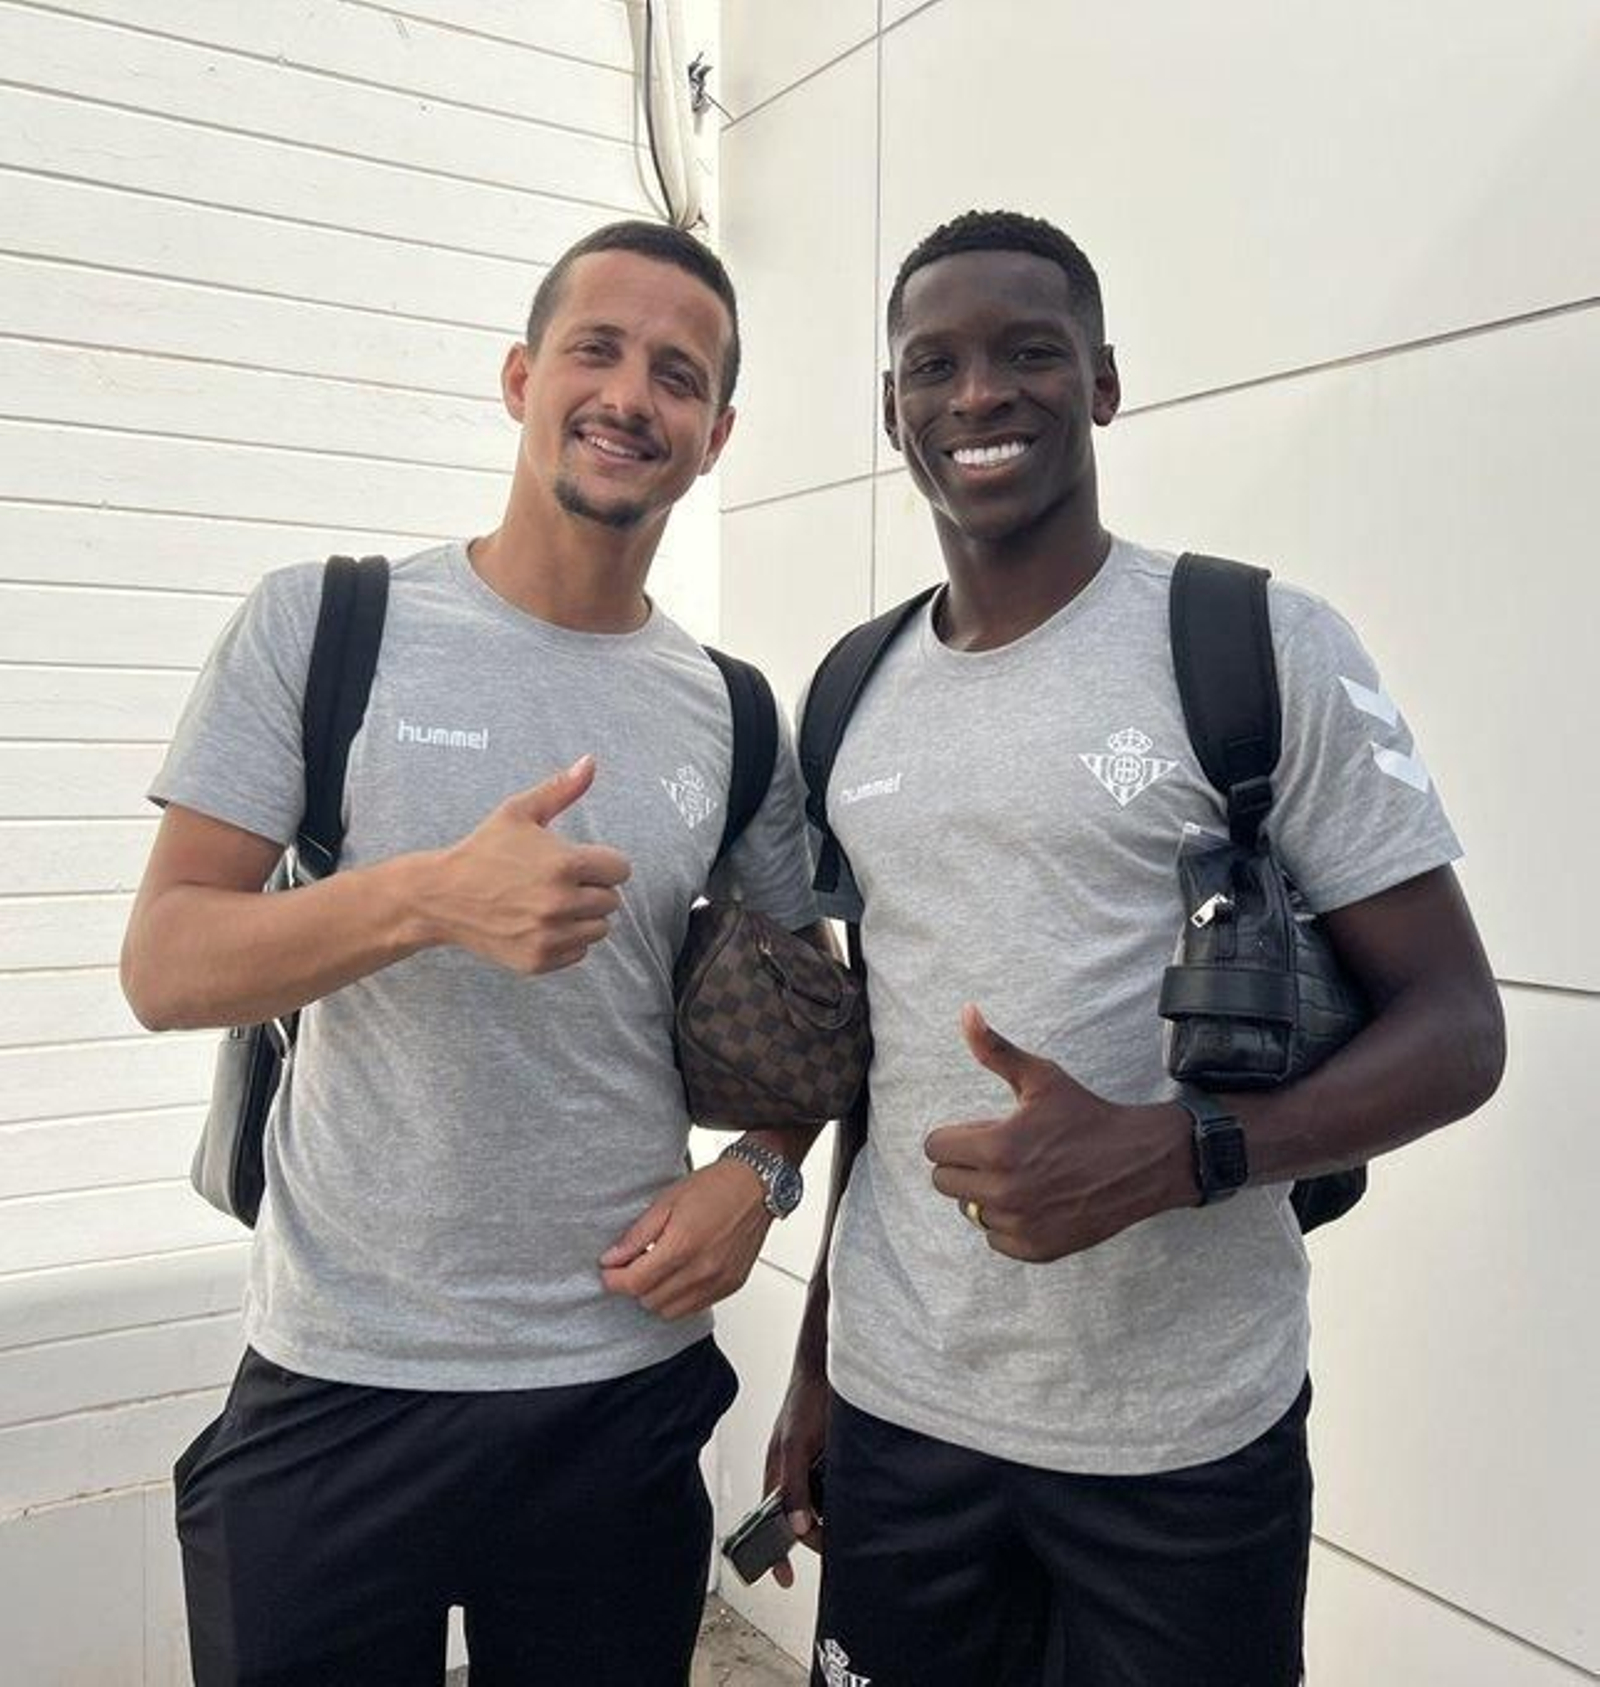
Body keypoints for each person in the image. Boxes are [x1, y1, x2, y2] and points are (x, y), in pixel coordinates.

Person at [762, 209, 1505, 1687]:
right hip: (905, 1421)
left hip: (1182, 1442)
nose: (979, 395)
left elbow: (1461, 1029)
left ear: (1103, 384)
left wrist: (1182, 1153)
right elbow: (886, 1071)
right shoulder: (847, 696)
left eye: (1030, 354)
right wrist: (815, 1366)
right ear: (892, 407)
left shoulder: (1251, 644)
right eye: (935, 365)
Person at [121, 219, 823, 1687]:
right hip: (336, 1385)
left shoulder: (737, 716)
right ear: (520, 377)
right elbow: (167, 963)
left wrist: (757, 1168)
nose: (632, 394)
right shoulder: (329, 629)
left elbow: (809, 1017)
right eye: (597, 349)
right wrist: (429, 898)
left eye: (678, 375)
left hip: (614, 1395)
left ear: (717, 436)